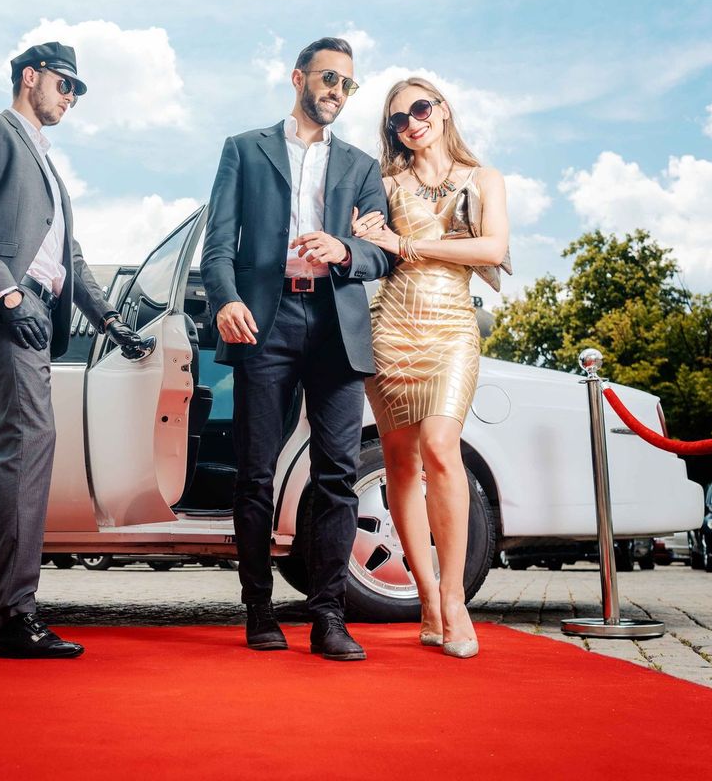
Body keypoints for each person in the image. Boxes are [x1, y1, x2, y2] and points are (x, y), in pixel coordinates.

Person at [0, 41, 147, 659]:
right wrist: (6, 294)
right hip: (10, 308)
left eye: (77, 89)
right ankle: (12, 616)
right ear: (30, 78)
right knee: (28, 451)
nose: (71, 97)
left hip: (33, 308)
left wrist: (107, 317)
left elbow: (69, 259)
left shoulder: (49, 167)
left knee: (3, 457)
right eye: (64, 84)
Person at [202, 37, 392, 661]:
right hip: (265, 318)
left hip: (336, 321)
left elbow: (382, 250)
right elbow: (217, 246)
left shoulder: (363, 167)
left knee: (337, 472)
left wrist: (346, 251)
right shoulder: (244, 150)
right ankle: (258, 609)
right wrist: (226, 299)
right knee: (256, 471)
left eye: (348, 84)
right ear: (297, 78)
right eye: (328, 78)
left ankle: (329, 616)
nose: (337, 91)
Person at [352, 77, 511, 659]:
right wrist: (368, 239)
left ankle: (453, 598)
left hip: (450, 329)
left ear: (442, 110)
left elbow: (491, 251)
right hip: (391, 327)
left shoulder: (484, 178)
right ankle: (426, 596)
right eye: (398, 119)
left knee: (443, 448)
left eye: (421, 109)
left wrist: (406, 245)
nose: (412, 122)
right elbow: (370, 250)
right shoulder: (385, 183)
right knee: (399, 461)